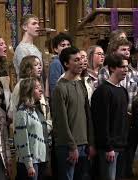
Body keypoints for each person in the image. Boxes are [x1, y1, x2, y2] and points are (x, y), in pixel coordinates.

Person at [52, 47, 94, 180]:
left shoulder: (81, 84)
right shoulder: (60, 87)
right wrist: (72, 146)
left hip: (83, 143)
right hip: (67, 145)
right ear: (66, 64)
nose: (81, 63)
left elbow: (88, 115)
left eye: (81, 59)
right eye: (76, 60)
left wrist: (90, 142)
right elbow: (61, 121)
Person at [91, 54, 129, 180]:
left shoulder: (123, 91)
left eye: (126, 67)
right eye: (122, 67)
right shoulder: (103, 91)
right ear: (112, 68)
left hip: (122, 146)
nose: (125, 70)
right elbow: (101, 122)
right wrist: (108, 147)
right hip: (109, 148)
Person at [14, 77, 49, 180]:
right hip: (30, 163)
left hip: (41, 160)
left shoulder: (37, 110)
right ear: (29, 90)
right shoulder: (22, 112)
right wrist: (29, 165)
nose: (41, 90)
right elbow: (22, 140)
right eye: (37, 88)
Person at [13, 14, 41, 79]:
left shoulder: (35, 47)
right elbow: (26, 73)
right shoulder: (22, 49)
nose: (38, 26)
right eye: (34, 24)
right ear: (25, 27)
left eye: (38, 24)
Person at [48, 32, 72, 97]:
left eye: (68, 45)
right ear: (56, 49)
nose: (66, 47)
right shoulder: (56, 63)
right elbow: (54, 87)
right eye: (63, 45)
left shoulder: (69, 62)